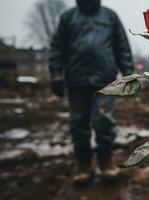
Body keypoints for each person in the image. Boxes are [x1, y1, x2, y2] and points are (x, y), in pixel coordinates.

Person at [49, 0, 134, 185]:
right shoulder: (68, 17)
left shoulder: (109, 17)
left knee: (103, 121)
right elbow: (58, 47)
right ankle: (84, 166)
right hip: (77, 82)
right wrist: (55, 74)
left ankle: (106, 163)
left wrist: (128, 73)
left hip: (105, 83)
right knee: (78, 123)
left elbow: (122, 46)